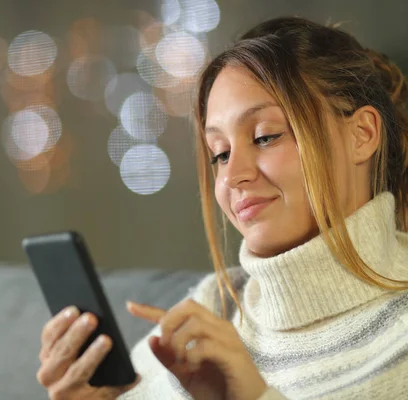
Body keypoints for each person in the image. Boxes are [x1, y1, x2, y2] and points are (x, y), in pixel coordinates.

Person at [35, 16, 408, 399]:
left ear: (361, 135)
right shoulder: (214, 304)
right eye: (221, 154)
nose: (233, 176)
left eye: (265, 137)